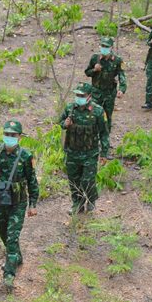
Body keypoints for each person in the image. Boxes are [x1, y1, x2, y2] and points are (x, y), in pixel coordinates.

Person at [0, 120, 40, 292]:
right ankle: (17, 257)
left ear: (19, 137)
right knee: (3, 234)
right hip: (0, 200)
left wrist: (33, 204)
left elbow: (32, 181)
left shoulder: (25, 156)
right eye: (7, 134)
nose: (9, 137)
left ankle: (8, 276)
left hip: (18, 202)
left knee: (12, 237)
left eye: (13, 135)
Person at [58, 83, 109, 214]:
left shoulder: (98, 111)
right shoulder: (70, 108)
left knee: (87, 180)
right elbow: (60, 121)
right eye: (77, 95)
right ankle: (77, 204)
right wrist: (65, 124)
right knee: (73, 180)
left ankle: (91, 200)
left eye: (82, 95)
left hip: (90, 153)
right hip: (72, 152)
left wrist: (104, 153)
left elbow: (104, 133)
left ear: (89, 96)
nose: (79, 97)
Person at [84, 35, 127, 131]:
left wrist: (122, 89)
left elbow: (122, 75)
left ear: (111, 48)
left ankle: (105, 141)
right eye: (102, 46)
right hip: (96, 92)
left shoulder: (117, 60)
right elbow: (87, 72)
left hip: (109, 94)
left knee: (107, 117)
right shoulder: (95, 58)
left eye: (107, 46)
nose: (104, 48)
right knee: (93, 116)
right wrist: (94, 70)